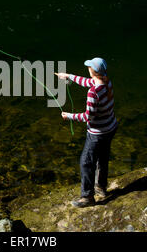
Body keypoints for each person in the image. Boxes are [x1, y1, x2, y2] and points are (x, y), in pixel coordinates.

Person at [55, 57, 118, 207]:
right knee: (102, 159)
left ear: (93, 71)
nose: (87, 68)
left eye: (89, 66)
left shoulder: (93, 93)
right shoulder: (106, 82)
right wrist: (68, 76)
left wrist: (68, 116)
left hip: (98, 133)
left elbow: (87, 117)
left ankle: (87, 197)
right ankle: (101, 188)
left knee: (86, 162)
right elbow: (86, 81)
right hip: (111, 127)